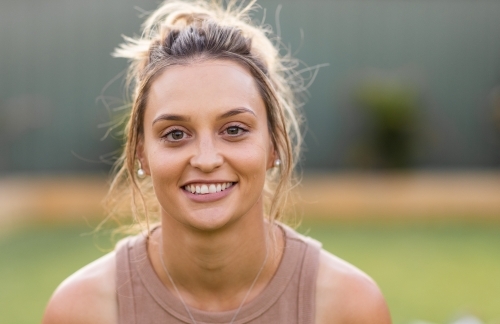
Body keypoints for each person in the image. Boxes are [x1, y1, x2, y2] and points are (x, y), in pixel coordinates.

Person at [42, 0, 392, 323]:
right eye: (175, 134)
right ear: (141, 153)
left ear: (273, 146)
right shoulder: (81, 309)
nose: (206, 159)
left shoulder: (347, 305)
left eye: (234, 129)